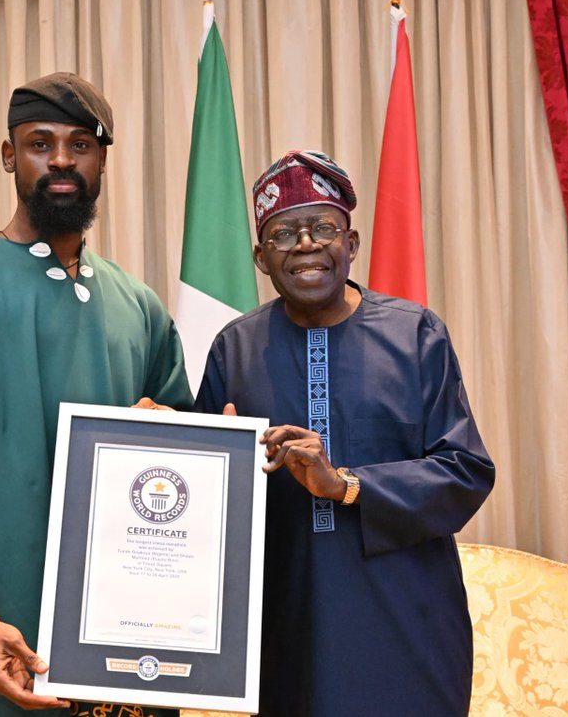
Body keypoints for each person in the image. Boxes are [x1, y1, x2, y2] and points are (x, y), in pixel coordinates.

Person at [0, 72, 192, 716]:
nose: (62, 161)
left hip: (122, 645)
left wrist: (182, 434)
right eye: (40, 144)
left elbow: (181, 471)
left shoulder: (139, 307)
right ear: (8, 155)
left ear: (102, 160)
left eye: (81, 145)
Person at [194, 150, 495, 715]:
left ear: (351, 244)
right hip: (285, 631)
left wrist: (345, 484)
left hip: (407, 626)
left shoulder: (415, 335)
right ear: (261, 258)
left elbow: (465, 472)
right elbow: (205, 508)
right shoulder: (234, 351)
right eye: (284, 234)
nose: (305, 244)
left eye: (323, 228)